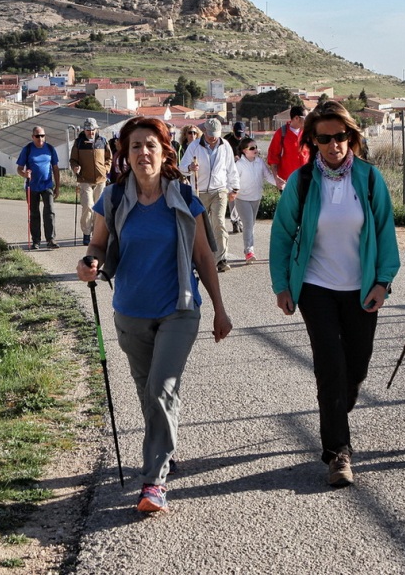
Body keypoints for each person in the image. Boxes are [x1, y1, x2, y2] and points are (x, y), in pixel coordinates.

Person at [77, 116, 232, 514]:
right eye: (135, 146)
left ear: (165, 152)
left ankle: (154, 483)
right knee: (151, 395)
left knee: (161, 388)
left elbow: (203, 257)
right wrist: (89, 263)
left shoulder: (182, 196)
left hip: (179, 309)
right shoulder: (112, 197)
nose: (143, 152)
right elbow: (97, 243)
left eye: (150, 145)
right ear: (124, 155)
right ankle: (164, 450)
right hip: (129, 311)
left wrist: (219, 309)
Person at [270, 101, 399, 487]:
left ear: (351, 136)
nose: (333, 144)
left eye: (339, 136)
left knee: (355, 367)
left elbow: (386, 234)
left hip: (361, 290)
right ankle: (338, 453)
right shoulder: (303, 181)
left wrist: (383, 282)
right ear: (313, 140)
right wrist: (282, 285)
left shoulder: (371, 179)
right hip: (316, 288)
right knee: (329, 367)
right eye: (323, 138)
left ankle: (341, 402)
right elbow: (281, 234)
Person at [179, 117, 240, 272]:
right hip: (199, 192)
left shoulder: (225, 145)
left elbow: (231, 168)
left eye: (216, 134)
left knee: (219, 223)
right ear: (205, 131)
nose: (213, 138)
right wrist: (190, 167)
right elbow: (181, 168)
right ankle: (200, 259)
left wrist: (235, 188)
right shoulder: (194, 146)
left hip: (219, 190)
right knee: (200, 227)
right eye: (210, 134)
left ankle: (221, 259)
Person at [17, 126, 62, 249]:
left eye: (42, 135)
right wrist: (24, 174)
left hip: (47, 185)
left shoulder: (50, 149)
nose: (40, 138)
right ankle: (36, 241)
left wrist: (57, 187)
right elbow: (19, 168)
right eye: (37, 136)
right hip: (32, 186)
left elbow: (56, 169)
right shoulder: (27, 149)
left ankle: (51, 239)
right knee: (34, 213)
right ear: (33, 137)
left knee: (50, 212)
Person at [69, 117, 111, 246]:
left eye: (93, 130)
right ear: (84, 130)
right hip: (84, 179)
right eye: (88, 130)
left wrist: (106, 169)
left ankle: (97, 234)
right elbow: (73, 160)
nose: (91, 132)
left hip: (100, 179)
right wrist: (75, 167)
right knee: (88, 206)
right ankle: (86, 233)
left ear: (96, 129)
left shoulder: (103, 141)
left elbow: (109, 158)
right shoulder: (78, 143)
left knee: (99, 209)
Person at [233, 137, 275, 263]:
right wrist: (233, 191)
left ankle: (249, 249)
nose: (255, 150)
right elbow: (233, 180)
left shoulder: (260, 162)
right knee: (248, 224)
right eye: (252, 148)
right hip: (242, 198)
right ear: (244, 151)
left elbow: (268, 176)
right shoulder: (239, 164)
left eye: (256, 147)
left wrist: (281, 184)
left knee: (251, 224)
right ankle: (249, 251)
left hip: (256, 197)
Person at [267, 104, 310, 191]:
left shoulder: (308, 133)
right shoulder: (281, 133)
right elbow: (273, 158)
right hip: (287, 183)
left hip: (306, 180)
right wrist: (276, 178)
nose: (308, 121)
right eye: (306, 118)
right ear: (296, 118)